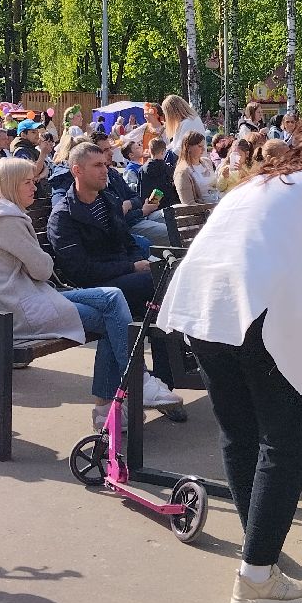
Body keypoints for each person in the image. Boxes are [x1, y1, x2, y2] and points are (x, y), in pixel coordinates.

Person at [156, 107, 302, 603]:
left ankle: (258, 548)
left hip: (204, 310)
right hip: (263, 317)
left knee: (238, 431)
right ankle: (256, 576)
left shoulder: (257, 184)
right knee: (284, 442)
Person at [0, 157, 151, 427]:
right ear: (10, 185)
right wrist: (42, 260)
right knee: (111, 318)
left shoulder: (8, 216)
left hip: (37, 297)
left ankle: (128, 393)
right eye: (28, 182)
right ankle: (130, 390)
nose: (35, 187)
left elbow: (41, 267)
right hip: (24, 309)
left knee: (112, 297)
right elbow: (43, 269)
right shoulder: (6, 222)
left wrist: (41, 260)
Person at [47, 142, 184, 412]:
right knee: (155, 288)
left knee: (161, 282)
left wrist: (138, 261)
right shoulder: (63, 216)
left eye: (106, 165)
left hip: (120, 278)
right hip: (93, 288)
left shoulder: (106, 201)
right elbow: (80, 272)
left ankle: (159, 385)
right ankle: (154, 384)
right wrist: (133, 268)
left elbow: (128, 243)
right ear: (77, 170)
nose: (106, 171)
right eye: (97, 166)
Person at [173, 132, 221, 207]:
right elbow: (189, 204)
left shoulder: (207, 161)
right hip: (204, 212)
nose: (204, 149)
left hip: (219, 203)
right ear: (188, 147)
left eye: (203, 146)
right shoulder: (182, 172)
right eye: (200, 146)